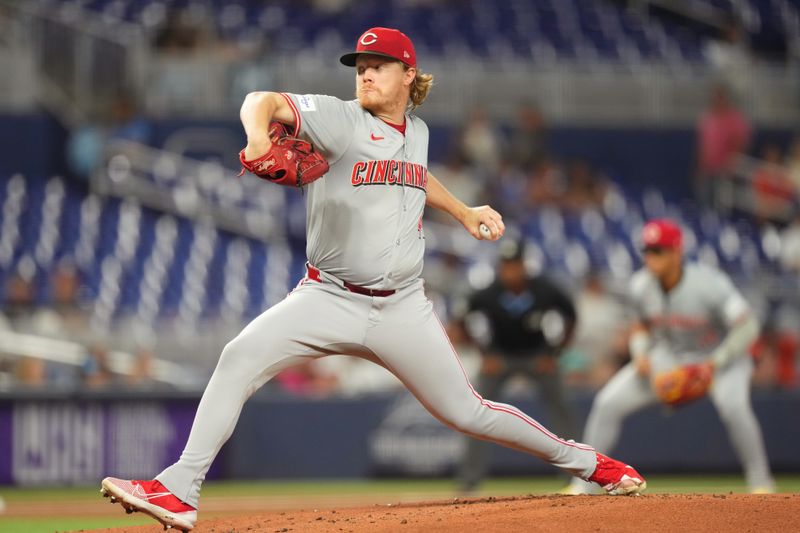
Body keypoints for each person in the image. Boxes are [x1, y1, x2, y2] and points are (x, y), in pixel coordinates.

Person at [101, 27, 646, 532]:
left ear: (408, 75)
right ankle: (180, 488)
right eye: (361, 65)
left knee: (469, 411)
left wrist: (462, 211)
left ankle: (591, 464)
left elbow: (415, 175)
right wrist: (260, 139)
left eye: (379, 65)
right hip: (327, 296)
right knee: (238, 357)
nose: (365, 73)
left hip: (403, 308)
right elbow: (259, 101)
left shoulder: (420, 131)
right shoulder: (340, 118)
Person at [564, 219, 775, 495]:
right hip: (671, 355)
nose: (651, 257)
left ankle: (761, 482)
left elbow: (748, 326)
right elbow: (641, 325)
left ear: (677, 252)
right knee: (607, 403)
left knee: (734, 407)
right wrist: (639, 353)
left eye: (659, 251)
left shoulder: (709, 283)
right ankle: (583, 486)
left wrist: (716, 362)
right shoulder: (641, 285)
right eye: (648, 251)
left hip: (722, 359)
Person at [458, 239, 579, 492]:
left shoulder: (542, 289)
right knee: (475, 411)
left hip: (537, 355)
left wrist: (554, 353)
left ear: (524, 265)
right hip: (501, 357)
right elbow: (462, 318)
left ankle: (576, 476)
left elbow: (570, 315)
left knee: (562, 410)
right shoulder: (489, 292)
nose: (510, 271)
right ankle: (469, 481)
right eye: (506, 265)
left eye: (515, 265)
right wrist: (484, 353)